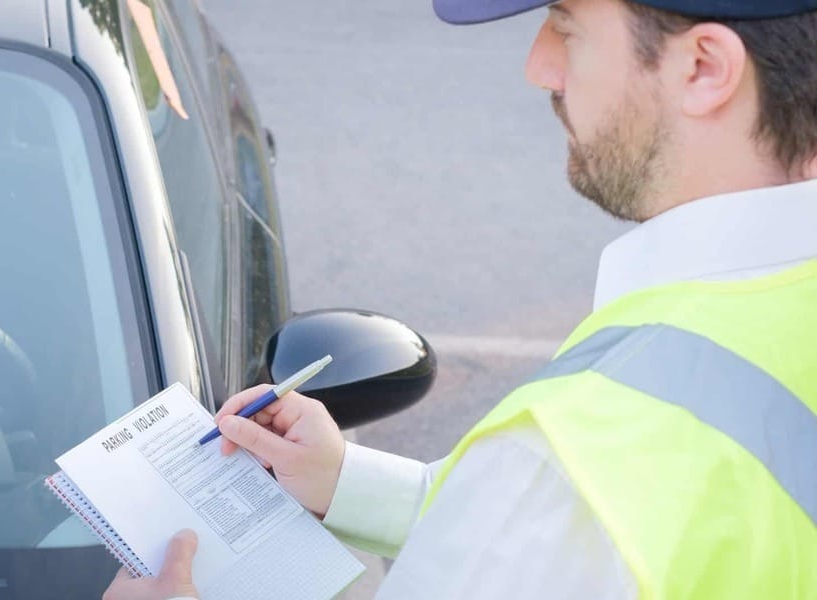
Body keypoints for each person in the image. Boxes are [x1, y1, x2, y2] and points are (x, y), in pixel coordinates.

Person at [103, 0, 817, 597]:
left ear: (704, 69)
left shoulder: (575, 466)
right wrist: (346, 483)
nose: (539, 66)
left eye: (566, 26)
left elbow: (548, 535)